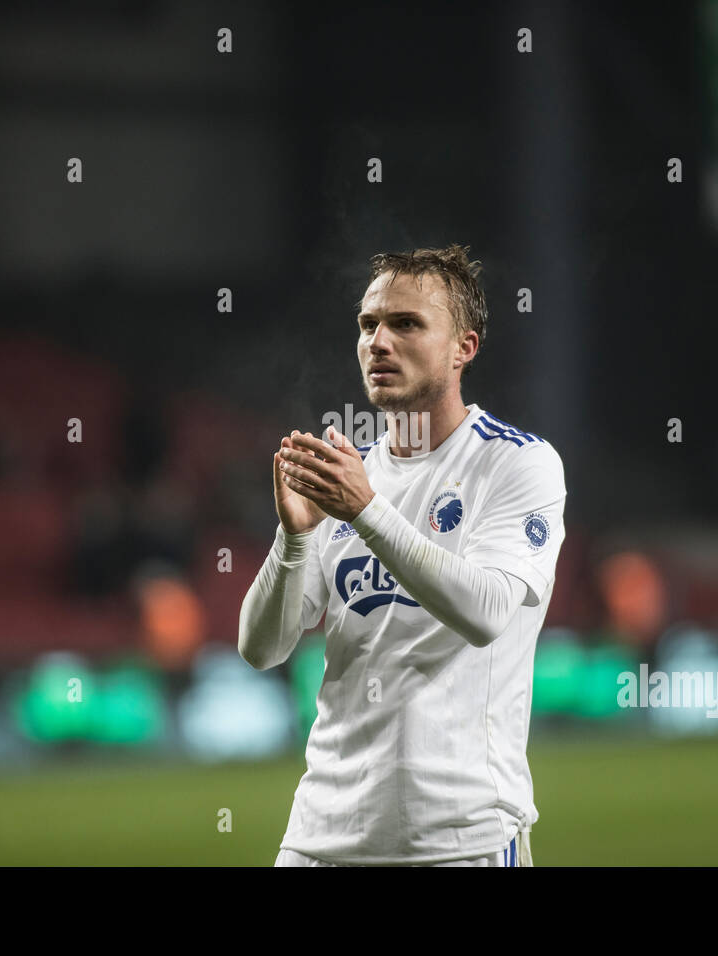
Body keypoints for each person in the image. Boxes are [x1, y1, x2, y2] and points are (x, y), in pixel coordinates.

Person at [238, 243, 567, 866]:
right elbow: (260, 648)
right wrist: (295, 538)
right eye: (369, 324)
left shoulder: (516, 463)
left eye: (407, 324)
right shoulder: (348, 477)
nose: (379, 342)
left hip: (457, 840)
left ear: (463, 347)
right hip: (319, 840)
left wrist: (365, 511)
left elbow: (487, 611)